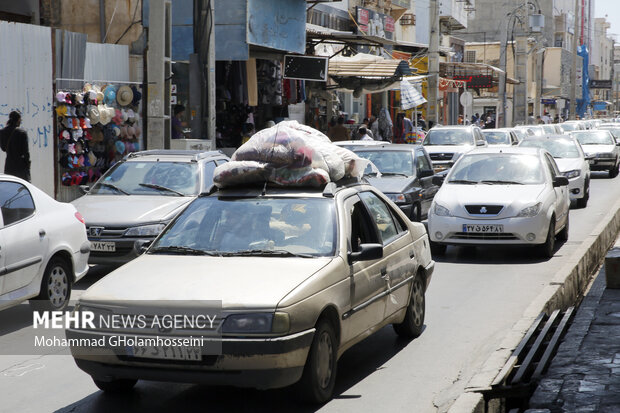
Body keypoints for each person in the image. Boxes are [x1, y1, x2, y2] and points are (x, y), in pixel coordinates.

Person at [0, 111, 30, 181]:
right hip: (21, 167)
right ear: (18, 120)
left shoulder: (2, 132)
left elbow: (3, 148)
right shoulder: (22, 133)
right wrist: (27, 165)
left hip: (9, 166)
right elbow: (26, 152)